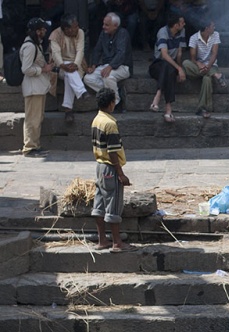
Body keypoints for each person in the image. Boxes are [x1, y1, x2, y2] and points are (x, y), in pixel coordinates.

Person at [91, 87, 133, 252]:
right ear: (111, 103)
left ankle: (102, 240)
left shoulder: (96, 119)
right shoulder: (110, 123)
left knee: (99, 204)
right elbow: (113, 151)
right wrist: (121, 174)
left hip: (99, 167)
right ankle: (117, 243)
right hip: (110, 168)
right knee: (113, 205)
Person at [20, 18, 54, 158]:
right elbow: (26, 68)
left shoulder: (35, 44)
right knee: (33, 118)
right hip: (33, 88)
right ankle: (29, 147)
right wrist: (43, 69)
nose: (45, 31)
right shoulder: (30, 46)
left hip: (38, 87)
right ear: (37, 31)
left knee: (37, 117)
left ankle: (35, 145)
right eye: (43, 29)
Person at [84, 12, 133, 107]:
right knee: (88, 78)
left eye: (107, 25)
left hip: (123, 66)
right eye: (103, 24)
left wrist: (111, 66)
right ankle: (115, 92)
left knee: (108, 77)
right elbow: (97, 50)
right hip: (106, 65)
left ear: (115, 26)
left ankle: (115, 103)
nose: (103, 27)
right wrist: (93, 65)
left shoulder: (123, 33)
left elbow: (121, 54)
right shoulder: (103, 34)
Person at [182, 19, 224, 119]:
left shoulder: (215, 34)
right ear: (207, 29)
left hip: (211, 65)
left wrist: (208, 67)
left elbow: (214, 54)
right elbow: (192, 58)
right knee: (185, 63)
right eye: (213, 26)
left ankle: (201, 109)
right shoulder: (194, 38)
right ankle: (216, 75)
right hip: (197, 67)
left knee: (206, 79)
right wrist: (199, 64)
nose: (214, 28)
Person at [49, 13, 87, 123]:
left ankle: (68, 110)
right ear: (67, 29)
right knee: (68, 73)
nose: (78, 28)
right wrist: (63, 65)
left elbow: (81, 51)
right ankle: (81, 91)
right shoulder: (55, 35)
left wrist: (75, 64)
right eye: (75, 26)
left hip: (77, 65)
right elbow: (56, 55)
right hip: (60, 66)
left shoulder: (80, 32)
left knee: (69, 76)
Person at [149, 13, 186, 123]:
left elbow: (179, 54)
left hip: (171, 65)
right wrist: (179, 69)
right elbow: (164, 55)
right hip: (157, 64)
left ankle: (157, 98)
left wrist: (179, 69)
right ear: (176, 25)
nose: (184, 24)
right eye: (182, 23)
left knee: (169, 69)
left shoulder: (182, 31)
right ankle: (168, 109)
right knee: (166, 65)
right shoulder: (163, 32)